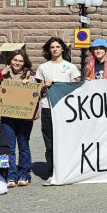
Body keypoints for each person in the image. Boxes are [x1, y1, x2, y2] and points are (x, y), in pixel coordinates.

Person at [0, 50, 36, 187]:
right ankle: (11, 175)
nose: (17, 63)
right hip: (8, 116)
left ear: (24, 62)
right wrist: (1, 74)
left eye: (20, 61)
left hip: (24, 117)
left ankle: (24, 174)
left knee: (24, 146)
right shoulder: (5, 76)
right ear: (10, 61)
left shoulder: (30, 76)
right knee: (9, 147)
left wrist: (29, 84)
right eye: (15, 60)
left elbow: (36, 92)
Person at [35, 37, 81, 186]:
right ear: (49, 50)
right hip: (48, 108)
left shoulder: (70, 67)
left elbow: (77, 87)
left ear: (63, 49)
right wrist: (44, 86)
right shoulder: (43, 68)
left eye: (57, 46)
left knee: (67, 141)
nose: (55, 49)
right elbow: (36, 89)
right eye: (52, 47)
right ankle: (51, 173)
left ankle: (68, 171)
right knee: (49, 143)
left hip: (66, 110)